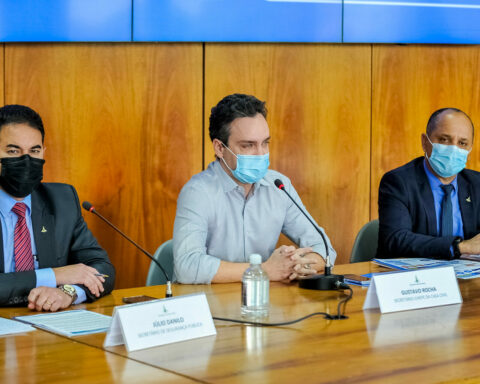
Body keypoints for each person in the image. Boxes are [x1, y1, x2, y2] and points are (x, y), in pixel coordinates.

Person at [173, 93, 336, 284]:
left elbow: (324, 247)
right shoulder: (198, 192)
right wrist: (263, 270)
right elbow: (187, 266)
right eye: (248, 145)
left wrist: (300, 265)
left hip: (262, 304)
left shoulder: (279, 185)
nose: (260, 154)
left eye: (265, 143)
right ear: (219, 148)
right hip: (211, 306)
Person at [0, 104, 115, 311]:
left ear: (44, 152)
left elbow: (102, 268)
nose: (26, 160)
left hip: (46, 323)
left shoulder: (61, 200)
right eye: (13, 150)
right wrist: (55, 275)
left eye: (34, 151)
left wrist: (68, 293)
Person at [378, 107, 480, 259]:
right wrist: (460, 247)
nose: (453, 149)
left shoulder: (476, 183)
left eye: (462, 143)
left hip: (468, 278)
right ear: (425, 142)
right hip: (412, 278)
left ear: (470, 148)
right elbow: (395, 240)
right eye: (444, 140)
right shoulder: (399, 182)